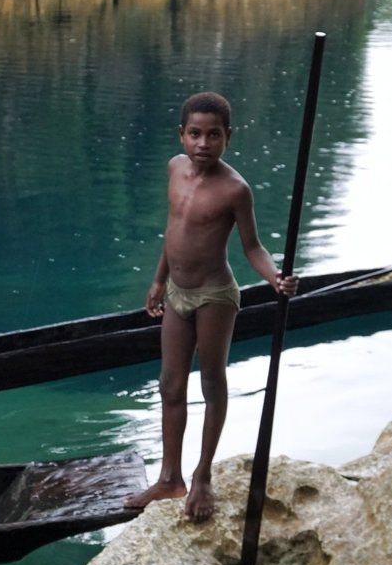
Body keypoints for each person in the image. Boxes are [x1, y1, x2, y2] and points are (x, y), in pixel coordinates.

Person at [124, 91, 298, 523]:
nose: (203, 144)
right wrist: (159, 278)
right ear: (182, 135)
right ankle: (170, 478)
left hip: (215, 296)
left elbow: (253, 247)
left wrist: (275, 277)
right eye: (195, 134)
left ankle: (202, 478)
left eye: (214, 135)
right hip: (177, 293)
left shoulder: (235, 189)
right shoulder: (175, 169)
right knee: (169, 384)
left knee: (212, 382)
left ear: (228, 139)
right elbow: (172, 229)